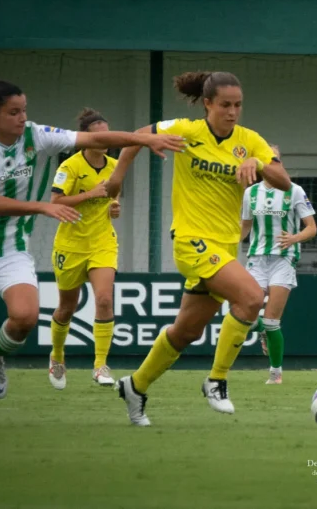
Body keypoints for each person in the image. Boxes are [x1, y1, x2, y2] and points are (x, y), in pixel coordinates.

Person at [0, 76, 183, 428]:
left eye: (24, 110)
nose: (22, 118)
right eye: (13, 112)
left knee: (24, 319)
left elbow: (96, 138)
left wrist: (144, 138)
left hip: (11, 248)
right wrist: (44, 207)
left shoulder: (36, 135)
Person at [105, 71, 291, 426]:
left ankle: (135, 386)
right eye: (225, 105)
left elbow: (284, 181)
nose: (233, 112)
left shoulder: (250, 141)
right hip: (192, 240)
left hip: (224, 247)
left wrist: (259, 163)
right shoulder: (188, 131)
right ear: (208, 104)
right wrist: (118, 175)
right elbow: (138, 135)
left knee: (185, 331)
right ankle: (217, 381)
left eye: (238, 105)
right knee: (252, 298)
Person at [47, 108, 124, 390]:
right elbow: (55, 203)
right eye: (98, 135)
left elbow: (113, 198)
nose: (104, 139)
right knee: (67, 307)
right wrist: (89, 194)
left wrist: (115, 208)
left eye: (107, 134)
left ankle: (100, 365)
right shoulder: (69, 167)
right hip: (70, 244)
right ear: (85, 140)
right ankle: (56, 356)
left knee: (104, 299)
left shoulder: (115, 166)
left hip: (102, 241)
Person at [240, 145, 317, 385]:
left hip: (284, 260)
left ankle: (275, 373)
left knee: (273, 322)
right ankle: (261, 329)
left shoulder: (294, 191)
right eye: (268, 159)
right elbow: (244, 227)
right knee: (247, 315)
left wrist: (294, 238)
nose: (273, 163)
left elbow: (312, 228)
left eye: (276, 159)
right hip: (256, 259)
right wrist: (223, 243)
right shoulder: (250, 193)